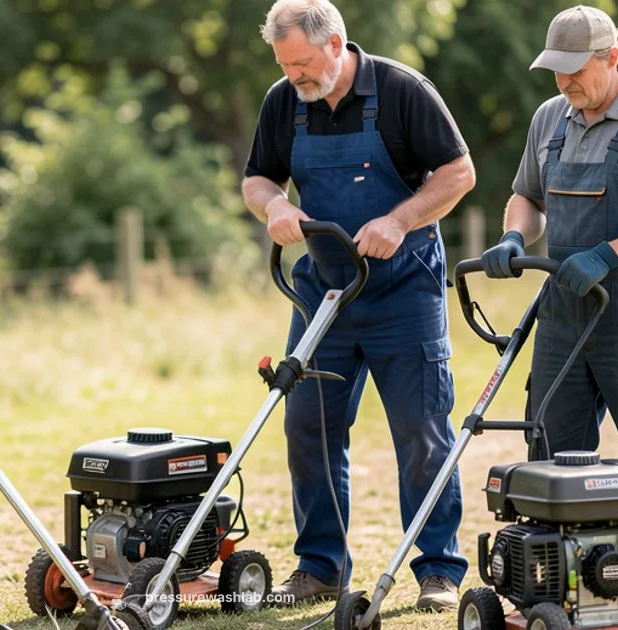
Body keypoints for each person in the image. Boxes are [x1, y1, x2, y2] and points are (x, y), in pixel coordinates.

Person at [243, 0, 476, 612]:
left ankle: (438, 570)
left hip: (404, 287)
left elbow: (459, 173)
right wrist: (275, 207)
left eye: (301, 63)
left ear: (336, 42)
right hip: (322, 290)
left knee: (422, 430)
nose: (294, 76)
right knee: (308, 427)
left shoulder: (401, 91)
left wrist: (400, 220)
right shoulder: (282, 102)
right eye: (285, 65)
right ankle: (321, 567)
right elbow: (257, 179)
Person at [480, 4, 618, 616]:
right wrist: (513, 239)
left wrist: (612, 253)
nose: (564, 83)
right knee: (551, 444)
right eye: (556, 71)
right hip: (562, 304)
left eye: (575, 70)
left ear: (611, 58)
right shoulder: (550, 118)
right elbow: (525, 195)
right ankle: (556, 581)